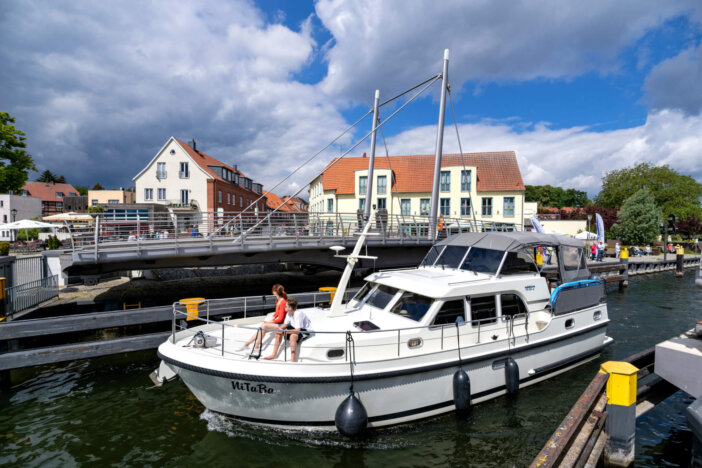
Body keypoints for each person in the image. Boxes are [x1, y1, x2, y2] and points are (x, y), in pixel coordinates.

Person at [241, 284, 288, 351]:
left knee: (264, 326)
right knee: (262, 327)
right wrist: (270, 320)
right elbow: (276, 313)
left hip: (283, 324)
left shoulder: (283, 302)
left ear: (275, 292)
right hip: (280, 323)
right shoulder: (278, 301)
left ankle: (255, 347)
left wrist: (269, 322)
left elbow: (281, 319)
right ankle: (248, 344)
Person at [264, 298, 310, 362]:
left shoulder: (298, 314)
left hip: (304, 330)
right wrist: (280, 329)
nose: (284, 307)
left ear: (290, 308)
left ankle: (293, 360)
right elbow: (285, 324)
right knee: (278, 333)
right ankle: (274, 355)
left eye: (286, 306)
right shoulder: (289, 313)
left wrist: (285, 332)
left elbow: (298, 330)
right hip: (294, 327)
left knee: (293, 336)